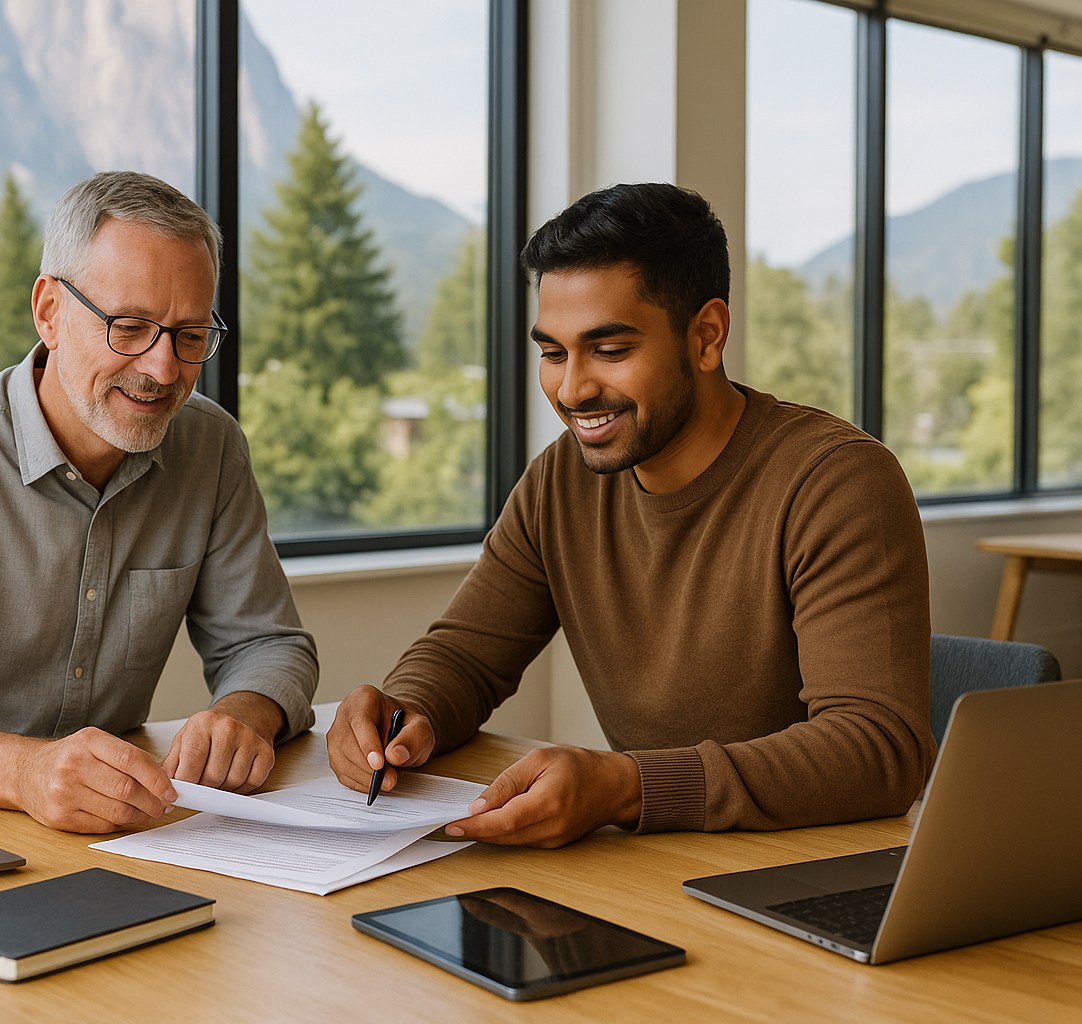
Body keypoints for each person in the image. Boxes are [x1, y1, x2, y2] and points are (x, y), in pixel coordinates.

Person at [328, 182, 934, 847]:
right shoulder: (561, 479)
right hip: (652, 864)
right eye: (553, 353)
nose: (573, 388)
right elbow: (469, 655)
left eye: (609, 351)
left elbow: (879, 751)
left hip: (805, 871)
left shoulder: (836, 482)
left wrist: (626, 786)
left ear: (706, 337)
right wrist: (404, 712)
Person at [0, 172, 317, 834]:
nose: (162, 369)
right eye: (129, 327)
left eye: (189, 336)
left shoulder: (210, 448)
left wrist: (245, 711)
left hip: (108, 840)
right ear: (49, 312)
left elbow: (271, 644)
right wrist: (23, 773)